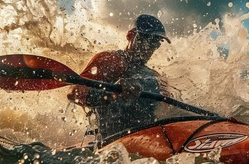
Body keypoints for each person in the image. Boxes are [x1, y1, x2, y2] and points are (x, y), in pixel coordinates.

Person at [67, 14, 171, 142]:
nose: (149, 46)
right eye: (145, 39)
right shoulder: (109, 60)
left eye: (155, 42)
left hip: (148, 140)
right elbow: (74, 92)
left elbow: (167, 109)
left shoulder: (155, 76)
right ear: (130, 36)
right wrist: (112, 93)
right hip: (112, 142)